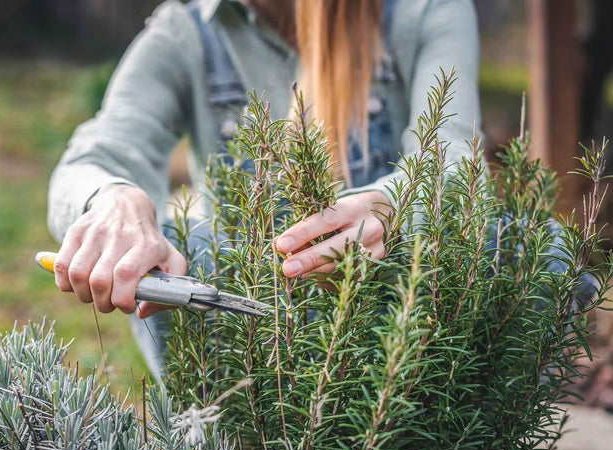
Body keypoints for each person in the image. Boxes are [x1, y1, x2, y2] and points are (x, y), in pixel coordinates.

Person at [46, 0, 483, 376]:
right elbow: (95, 157)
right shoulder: (187, 31)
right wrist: (115, 200)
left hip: (401, 322)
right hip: (248, 341)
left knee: (543, 250)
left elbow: (455, 160)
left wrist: (395, 207)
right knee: (178, 244)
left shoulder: (422, 11)